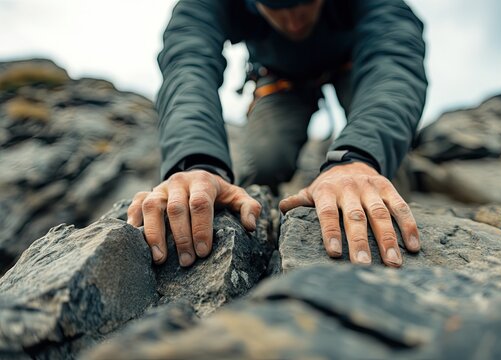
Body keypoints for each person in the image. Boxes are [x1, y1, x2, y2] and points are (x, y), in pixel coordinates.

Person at [127, 0, 428, 269]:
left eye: (305, 3)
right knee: (263, 162)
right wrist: (195, 164)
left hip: (356, 66)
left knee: (378, 168)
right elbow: (188, 64)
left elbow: (395, 59)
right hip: (279, 77)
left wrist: (358, 157)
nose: (295, 22)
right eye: (275, 7)